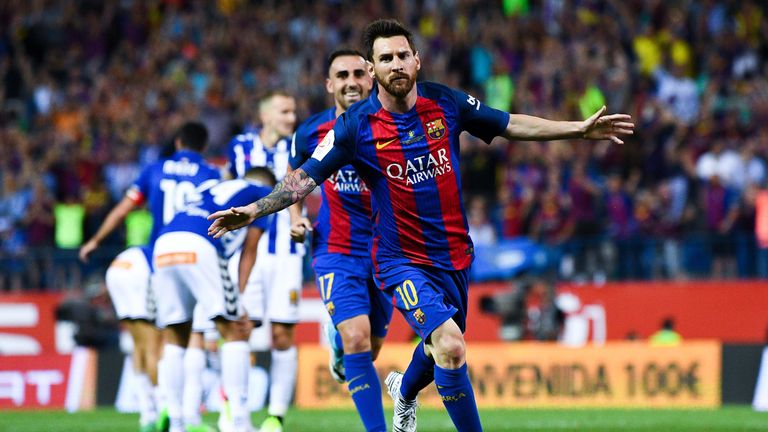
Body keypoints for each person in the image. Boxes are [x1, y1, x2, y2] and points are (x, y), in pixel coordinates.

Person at [208, 19, 634, 432]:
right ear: (373, 70)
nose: (396, 64)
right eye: (385, 58)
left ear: (417, 61)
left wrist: (576, 129)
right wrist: (253, 211)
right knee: (450, 346)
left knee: (436, 349)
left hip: (454, 255)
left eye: (402, 55)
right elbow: (303, 179)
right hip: (398, 261)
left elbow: (509, 124)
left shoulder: (445, 102)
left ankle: (405, 394)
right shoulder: (355, 127)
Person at [80, 121, 221, 432]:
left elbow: (122, 209)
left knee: (158, 338)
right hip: (196, 252)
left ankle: (160, 414)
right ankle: (184, 415)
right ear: (203, 146)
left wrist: (96, 240)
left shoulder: (154, 169)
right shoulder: (211, 173)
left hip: (160, 256)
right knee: (193, 335)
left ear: (179, 141)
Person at [289, 48, 393, 432]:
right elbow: (294, 174)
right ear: (330, 84)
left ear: (371, 78)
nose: (351, 82)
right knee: (357, 335)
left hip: (388, 251)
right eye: (342, 75)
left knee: (372, 346)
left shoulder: (394, 124)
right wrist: (296, 217)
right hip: (336, 248)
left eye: (358, 74)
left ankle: (337, 345)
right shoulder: (312, 131)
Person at [153, 167, 276, 432]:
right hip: (200, 245)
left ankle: (176, 423)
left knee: (175, 335)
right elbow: (250, 250)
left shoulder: (212, 186)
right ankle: (239, 423)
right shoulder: (262, 193)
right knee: (233, 330)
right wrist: (239, 299)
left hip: (164, 244)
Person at [225, 90, 301, 432]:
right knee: (239, 329)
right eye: (285, 112)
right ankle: (235, 413)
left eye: (293, 112)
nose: (292, 118)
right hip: (244, 253)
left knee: (282, 335)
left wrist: (299, 220)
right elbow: (226, 185)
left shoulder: (299, 146)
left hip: (285, 251)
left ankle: (275, 416)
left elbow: (302, 186)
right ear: (266, 116)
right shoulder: (239, 147)